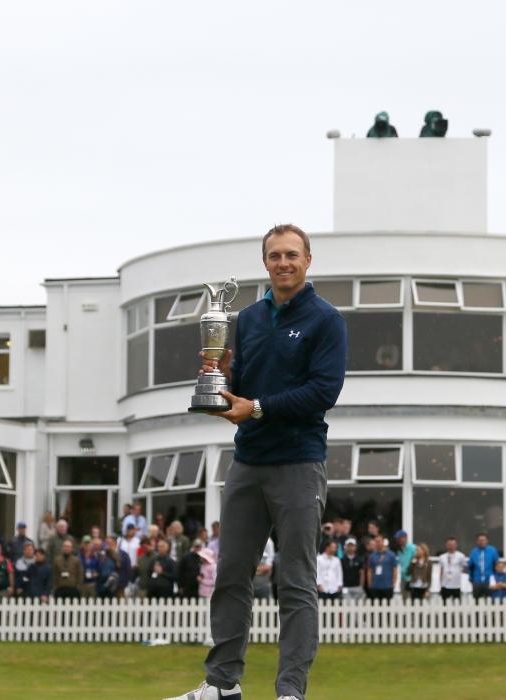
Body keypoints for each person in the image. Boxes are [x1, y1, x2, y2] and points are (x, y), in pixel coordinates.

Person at [168, 224, 347, 700]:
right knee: (230, 576)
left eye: (291, 254)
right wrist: (223, 383)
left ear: (308, 260)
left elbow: (323, 392)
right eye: (274, 256)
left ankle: (290, 691)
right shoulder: (247, 318)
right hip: (247, 461)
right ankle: (222, 685)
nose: (283, 263)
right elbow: (243, 388)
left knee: (295, 581)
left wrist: (258, 408)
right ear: (265, 262)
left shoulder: (326, 320)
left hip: (298, 463)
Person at [467, 532, 499, 599]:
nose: (482, 542)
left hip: (489, 580)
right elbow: (470, 567)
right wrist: (471, 579)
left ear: (487, 541)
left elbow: (496, 565)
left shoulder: (492, 551)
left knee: (490, 601)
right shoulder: (474, 552)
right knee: (476, 601)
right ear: (477, 541)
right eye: (480, 540)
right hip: (477, 580)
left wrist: (495, 578)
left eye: (483, 540)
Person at [366, 536, 397, 601]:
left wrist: (394, 582)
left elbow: (394, 569)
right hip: (375, 585)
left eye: (379, 541)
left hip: (387, 585)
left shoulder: (391, 555)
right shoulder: (372, 556)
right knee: (375, 605)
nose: (377, 543)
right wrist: (370, 583)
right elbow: (370, 570)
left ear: (383, 542)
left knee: (387, 605)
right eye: (376, 542)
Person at [438, 536, 467, 602]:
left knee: (456, 603)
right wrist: (440, 583)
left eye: (452, 544)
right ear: (446, 545)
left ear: (456, 545)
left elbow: (464, 568)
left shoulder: (461, 556)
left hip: (456, 585)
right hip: (445, 585)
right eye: (449, 544)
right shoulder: (442, 557)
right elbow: (441, 571)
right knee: (444, 604)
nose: (451, 546)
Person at [392, 530, 415, 599]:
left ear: (405, 538)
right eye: (397, 539)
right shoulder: (399, 550)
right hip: (403, 578)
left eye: (400, 538)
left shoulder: (413, 548)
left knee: (412, 599)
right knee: (404, 598)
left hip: (412, 578)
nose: (398, 540)